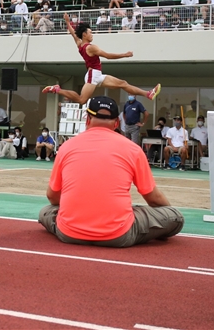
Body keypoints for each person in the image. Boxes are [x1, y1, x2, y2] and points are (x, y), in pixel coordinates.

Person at [39, 97, 184, 247]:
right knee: (176, 217)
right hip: (118, 234)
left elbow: (52, 196)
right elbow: (153, 198)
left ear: (87, 119)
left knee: (46, 211)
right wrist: (167, 210)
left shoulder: (66, 147)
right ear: (117, 123)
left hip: (69, 233)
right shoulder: (133, 149)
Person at [42, 13, 160, 105]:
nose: (92, 35)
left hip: (97, 75)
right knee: (82, 100)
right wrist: (125, 54)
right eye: (90, 33)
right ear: (84, 35)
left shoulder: (80, 44)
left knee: (123, 84)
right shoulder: (91, 48)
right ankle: (57, 89)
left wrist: (68, 22)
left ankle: (148, 94)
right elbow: (108, 56)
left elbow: (73, 34)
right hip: (93, 75)